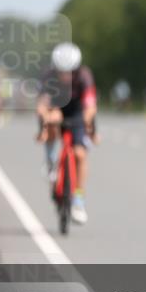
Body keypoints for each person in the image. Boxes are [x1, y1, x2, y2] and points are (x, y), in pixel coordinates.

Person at [36, 42, 97, 224]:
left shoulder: (84, 77)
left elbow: (90, 105)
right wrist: (46, 115)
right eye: (61, 71)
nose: (65, 76)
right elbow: (42, 104)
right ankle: (51, 161)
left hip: (77, 112)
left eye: (69, 71)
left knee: (80, 154)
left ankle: (78, 199)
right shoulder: (48, 77)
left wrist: (86, 119)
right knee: (52, 125)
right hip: (57, 108)